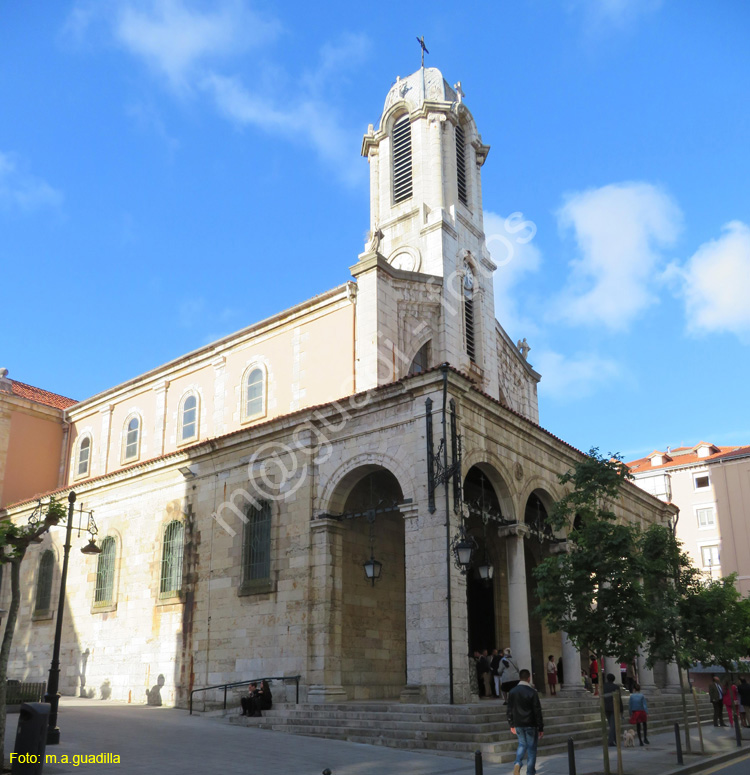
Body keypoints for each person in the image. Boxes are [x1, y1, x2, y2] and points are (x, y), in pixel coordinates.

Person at [507, 668, 544, 775]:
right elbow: (537, 710)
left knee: (522, 744)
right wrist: (540, 727)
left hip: (518, 723)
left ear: (520, 678)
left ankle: (517, 763)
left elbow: (509, 709)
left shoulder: (512, 691)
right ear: (529, 678)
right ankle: (530, 772)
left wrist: (511, 724)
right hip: (530, 723)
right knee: (532, 749)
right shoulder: (532, 692)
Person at [603, 673, 623, 746]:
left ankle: (614, 739)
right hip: (614, 707)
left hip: (606, 707)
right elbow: (619, 698)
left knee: (612, 724)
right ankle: (611, 741)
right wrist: (621, 709)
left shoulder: (604, 686)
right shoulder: (615, 687)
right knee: (613, 725)